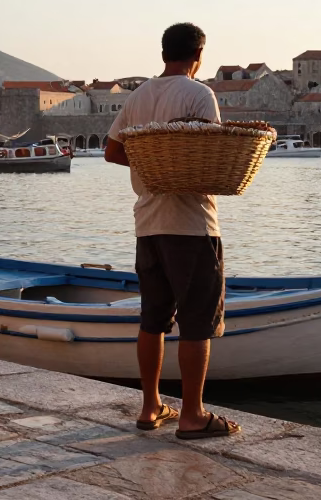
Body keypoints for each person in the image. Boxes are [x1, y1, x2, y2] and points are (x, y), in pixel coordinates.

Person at [104, 22, 240, 440]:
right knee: (197, 323)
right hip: (191, 225)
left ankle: (150, 408)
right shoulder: (200, 94)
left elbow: (112, 151)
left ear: (164, 52)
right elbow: (205, 159)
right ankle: (193, 415)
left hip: (147, 224)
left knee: (153, 320)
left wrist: (152, 167)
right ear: (199, 54)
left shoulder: (140, 95)